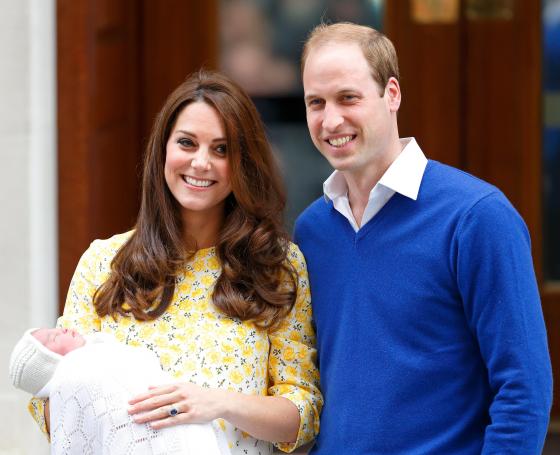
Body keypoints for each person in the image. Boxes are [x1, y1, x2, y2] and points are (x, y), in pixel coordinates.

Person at [28, 70, 322, 455]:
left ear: (244, 162)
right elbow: (49, 399)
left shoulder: (277, 267)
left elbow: (302, 415)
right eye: (187, 143)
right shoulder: (104, 262)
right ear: (163, 149)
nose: (201, 163)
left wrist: (218, 403)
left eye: (222, 149)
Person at [293, 22, 553, 454]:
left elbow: (524, 389)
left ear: (392, 94)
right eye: (315, 102)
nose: (331, 119)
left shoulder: (477, 218)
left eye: (348, 98)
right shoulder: (312, 231)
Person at [10, 327, 230, 455]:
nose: (61, 329)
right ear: (51, 364)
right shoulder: (77, 370)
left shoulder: (104, 350)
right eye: (53, 338)